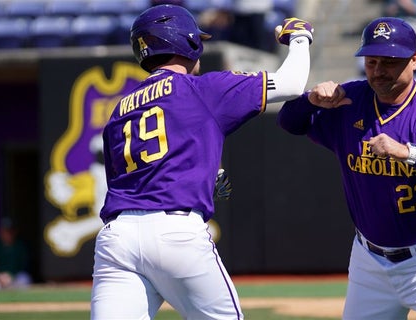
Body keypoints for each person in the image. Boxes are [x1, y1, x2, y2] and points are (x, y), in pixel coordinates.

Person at [90, 4, 313, 319]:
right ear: (188, 42)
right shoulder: (203, 88)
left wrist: (202, 169)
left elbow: (131, 174)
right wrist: (300, 36)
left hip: (117, 238)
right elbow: (291, 84)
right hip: (175, 232)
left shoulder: (121, 109)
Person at [277, 17, 416, 319]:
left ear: (414, 60)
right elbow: (289, 122)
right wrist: (311, 100)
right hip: (369, 262)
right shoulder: (350, 100)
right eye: (371, 61)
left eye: (389, 62)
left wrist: (410, 153)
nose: (377, 71)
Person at [0, 217, 31, 290]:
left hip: (14, 277)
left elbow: (22, 265)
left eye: (11, 231)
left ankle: (19, 300)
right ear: (1, 232)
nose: (9, 234)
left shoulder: (20, 246)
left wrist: (10, 275)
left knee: (25, 278)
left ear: (15, 232)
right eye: (6, 231)